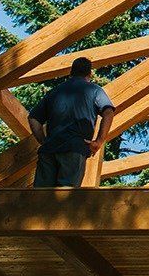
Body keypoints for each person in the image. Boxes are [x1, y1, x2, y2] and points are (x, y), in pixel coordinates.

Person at [28, 56, 115, 187]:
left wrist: (44, 141)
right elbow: (108, 112)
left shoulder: (55, 92)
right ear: (89, 73)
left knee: (41, 199)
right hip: (75, 149)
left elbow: (33, 118)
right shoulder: (94, 90)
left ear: (71, 72)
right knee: (66, 197)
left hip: (49, 150)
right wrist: (99, 141)